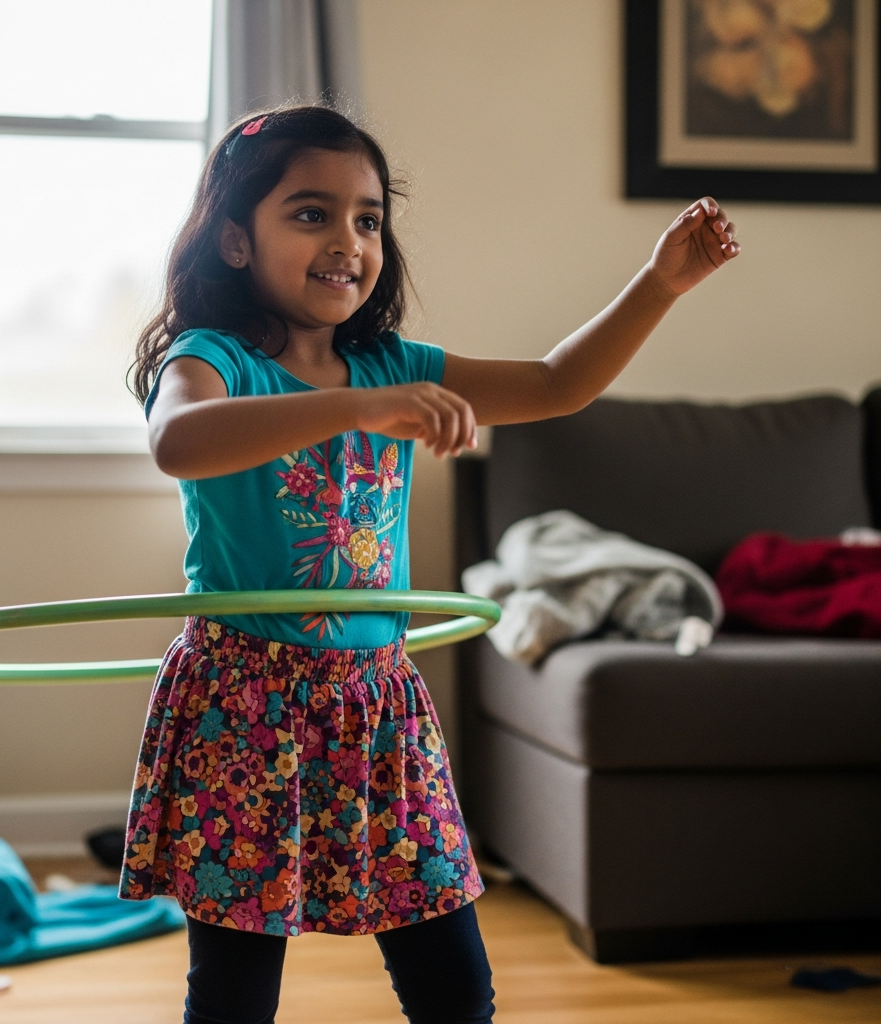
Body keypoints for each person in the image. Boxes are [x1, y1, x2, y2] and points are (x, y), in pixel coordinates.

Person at [120, 105, 740, 1024]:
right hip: (246, 707)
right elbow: (179, 442)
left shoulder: (390, 365)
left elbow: (558, 384)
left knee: (455, 987)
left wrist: (659, 283)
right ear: (234, 241)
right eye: (310, 213)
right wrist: (354, 411)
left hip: (378, 707)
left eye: (368, 218)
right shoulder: (213, 361)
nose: (347, 241)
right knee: (236, 996)